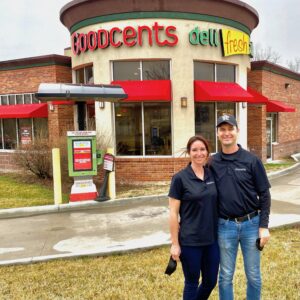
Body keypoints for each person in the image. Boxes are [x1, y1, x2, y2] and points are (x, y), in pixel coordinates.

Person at [210, 114, 271, 300]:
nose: (227, 133)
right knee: (225, 275)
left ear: (237, 131)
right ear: (218, 133)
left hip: (251, 225)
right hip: (224, 226)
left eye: (230, 129)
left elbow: (265, 195)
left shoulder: (251, 161)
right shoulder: (212, 162)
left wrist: (263, 226)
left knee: (253, 275)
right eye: (222, 129)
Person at [168, 136, 219, 300]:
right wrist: (175, 244)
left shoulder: (212, 173)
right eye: (194, 150)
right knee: (191, 282)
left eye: (202, 149)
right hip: (190, 241)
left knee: (210, 281)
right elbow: (173, 213)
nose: (199, 153)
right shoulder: (180, 179)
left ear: (207, 152)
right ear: (189, 153)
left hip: (211, 240)